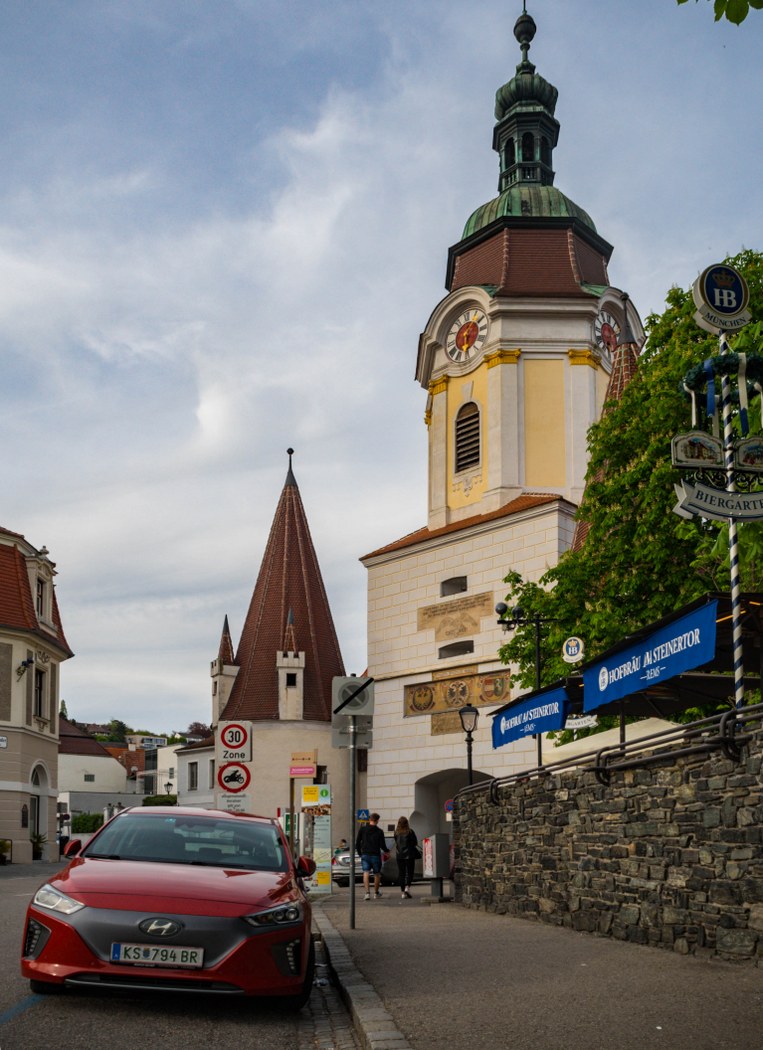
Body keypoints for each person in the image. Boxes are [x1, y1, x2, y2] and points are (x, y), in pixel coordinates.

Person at [355, 813, 389, 900]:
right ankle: (376, 893)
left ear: (369, 819)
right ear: (377, 821)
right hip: (375, 855)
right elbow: (382, 845)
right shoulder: (379, 831)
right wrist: (387, 851)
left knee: (366, 873)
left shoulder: (362, 829)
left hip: (365, 855)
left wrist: (360, 853)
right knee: (376, 874)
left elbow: (358, 842)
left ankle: (367, 893)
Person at [393, 816, 419, 899]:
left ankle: (403, 893)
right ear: (407, 823)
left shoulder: (396, 832)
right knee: (410, 872)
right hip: (409, 855)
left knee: (402, 873)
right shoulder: (410, 831)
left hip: (399, 855)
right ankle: (407, 887)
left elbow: (396, 842)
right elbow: (415, 842)